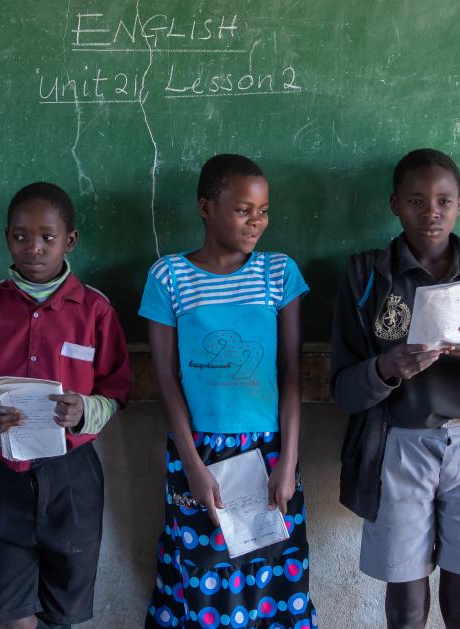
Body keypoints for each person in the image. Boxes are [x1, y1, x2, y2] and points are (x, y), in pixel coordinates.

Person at [330, 148, 460, 628]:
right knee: (405, 600)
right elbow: (343, 390)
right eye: (416, 201)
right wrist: (387, 367)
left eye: (444, 201)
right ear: (394, 205)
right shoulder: (368, 277)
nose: (431, 213)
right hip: (397, 446)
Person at [0, 182, 132, 629]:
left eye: (47, 237)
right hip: (6, 479)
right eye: (21, 236)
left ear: (70, 240)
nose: (34, 247)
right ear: (7, 237)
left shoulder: (94, 310)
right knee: (10, 614)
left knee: (61, 615)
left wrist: (85, 409)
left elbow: (118, 389)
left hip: (73, 478)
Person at [140, 154, 318, 629]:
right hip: (198, 453)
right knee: (204, 581)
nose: (255, 221)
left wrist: (287, 465)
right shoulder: (169, 277)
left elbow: (290, 371)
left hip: (269, 453)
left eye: (262, 210)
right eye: (243, 210)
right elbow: (165, 379)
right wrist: (194, 467)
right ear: (205, 207)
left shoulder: (278, 273)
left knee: (274, 580)